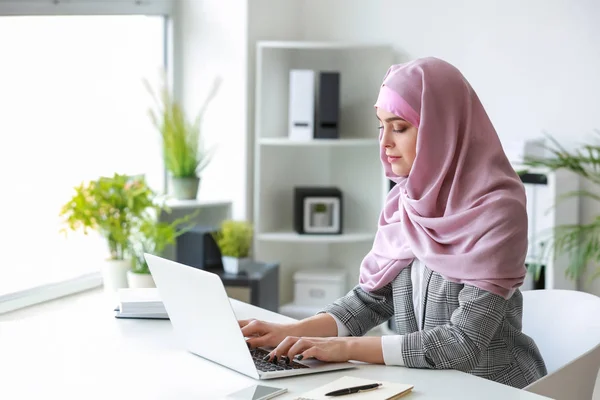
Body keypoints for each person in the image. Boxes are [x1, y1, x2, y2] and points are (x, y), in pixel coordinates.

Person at [239, 57, 547, 388]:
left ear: (442, 129)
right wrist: (289, 331)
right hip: (427, 382)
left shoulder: (497, 210)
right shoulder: (405, 202)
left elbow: (463, 344)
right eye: (381, 126)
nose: (384, 143)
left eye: (399, 127)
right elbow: (371, 300)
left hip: (494, 388)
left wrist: (344, 348)